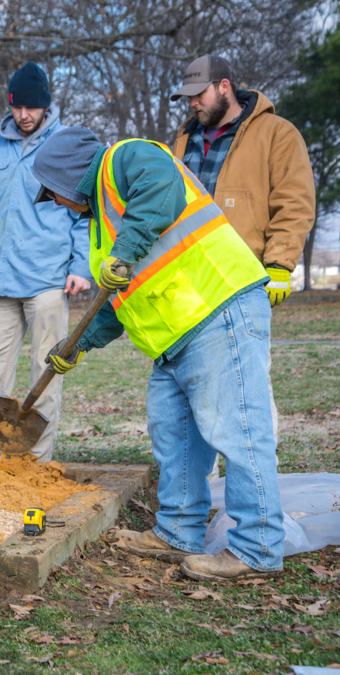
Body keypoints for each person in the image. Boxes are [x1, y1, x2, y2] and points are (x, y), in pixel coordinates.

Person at [32, 127, 284, 581]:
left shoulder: (126, 160)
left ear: (68, 178)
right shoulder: (103, 224)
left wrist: (125, 251)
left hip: (217, 308)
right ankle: (177, 532)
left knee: (238, 431)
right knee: (176, 438)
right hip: (174, 338)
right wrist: (78, 345)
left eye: (51, 193)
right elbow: (119, 300)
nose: (54, 203)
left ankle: (257, 549)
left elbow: (161, 185)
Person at [171, 54, 316, 476]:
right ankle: (209, 486)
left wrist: (280, 263)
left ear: (224, 87)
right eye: (188, 97)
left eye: (198, 94)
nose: (192, 103)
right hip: (189, 280)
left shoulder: (277, 134)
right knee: (195, 386)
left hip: (243, 278)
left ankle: (255, 481)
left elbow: (295, 201)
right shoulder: (181, 139)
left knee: (247, 387)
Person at [0, 62, 91, 463]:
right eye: (17, 108)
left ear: (46, 107)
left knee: (46, 372)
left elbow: (85, 212)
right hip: (0, 280)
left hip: (49, 280)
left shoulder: (65, 144)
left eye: (32, 109)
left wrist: (81, 266)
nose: (24, 116)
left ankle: (36, 461)